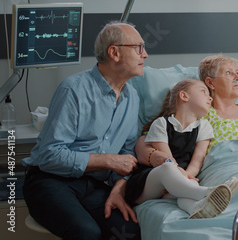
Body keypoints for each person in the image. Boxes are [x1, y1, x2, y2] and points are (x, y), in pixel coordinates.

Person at [22, 21, 147, 240]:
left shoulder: (132, 98)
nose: (145, 55)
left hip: (92, 184)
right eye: (139, 47)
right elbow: (50, 156)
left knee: (129, 231)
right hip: (49, 181)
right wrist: (108, 161)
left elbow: (127, 154)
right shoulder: (74, 90)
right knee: (87, 233)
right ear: (114, 52)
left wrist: (119, 187)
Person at [126, 79, 238, 219]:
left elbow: (197, 161)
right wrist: (180, 178)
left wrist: (184, 179)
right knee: (168, 167)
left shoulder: (204, 127)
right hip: (148, 184)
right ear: (184, 96)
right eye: (203, 91)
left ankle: (197, 209)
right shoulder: (161, 123)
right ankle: (208, 192)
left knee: (190, 183)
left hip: (177, 183)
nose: (210, 97)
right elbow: (167, 158)